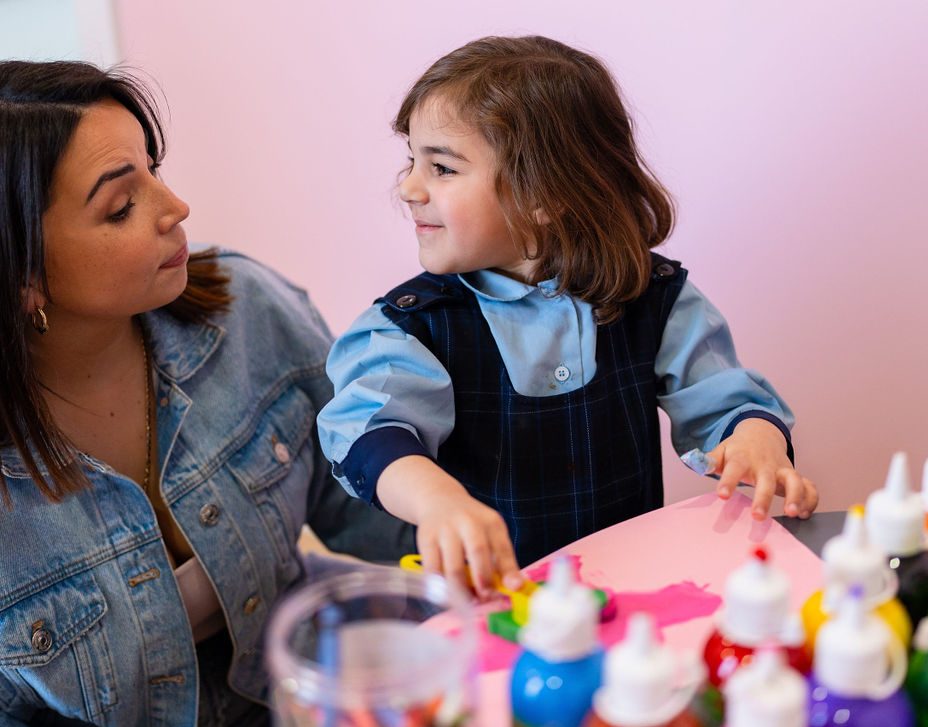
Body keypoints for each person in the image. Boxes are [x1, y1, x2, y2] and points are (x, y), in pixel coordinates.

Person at [317, 35, 819, 598]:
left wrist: (755, 439)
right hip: (488, 608)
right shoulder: (411, 326)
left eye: (442, 168)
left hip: (626, 593)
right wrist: (439, 502)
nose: (409, 188)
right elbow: (370, 433)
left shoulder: (653, 295)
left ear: (545, 193)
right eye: (412, 160)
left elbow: (724, 399)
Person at [0, 60, 414, 725]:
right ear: (23, 274)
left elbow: (377, 514)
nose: (175, 210)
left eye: (153, 170)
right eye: (121, 206)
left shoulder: (245, 310)